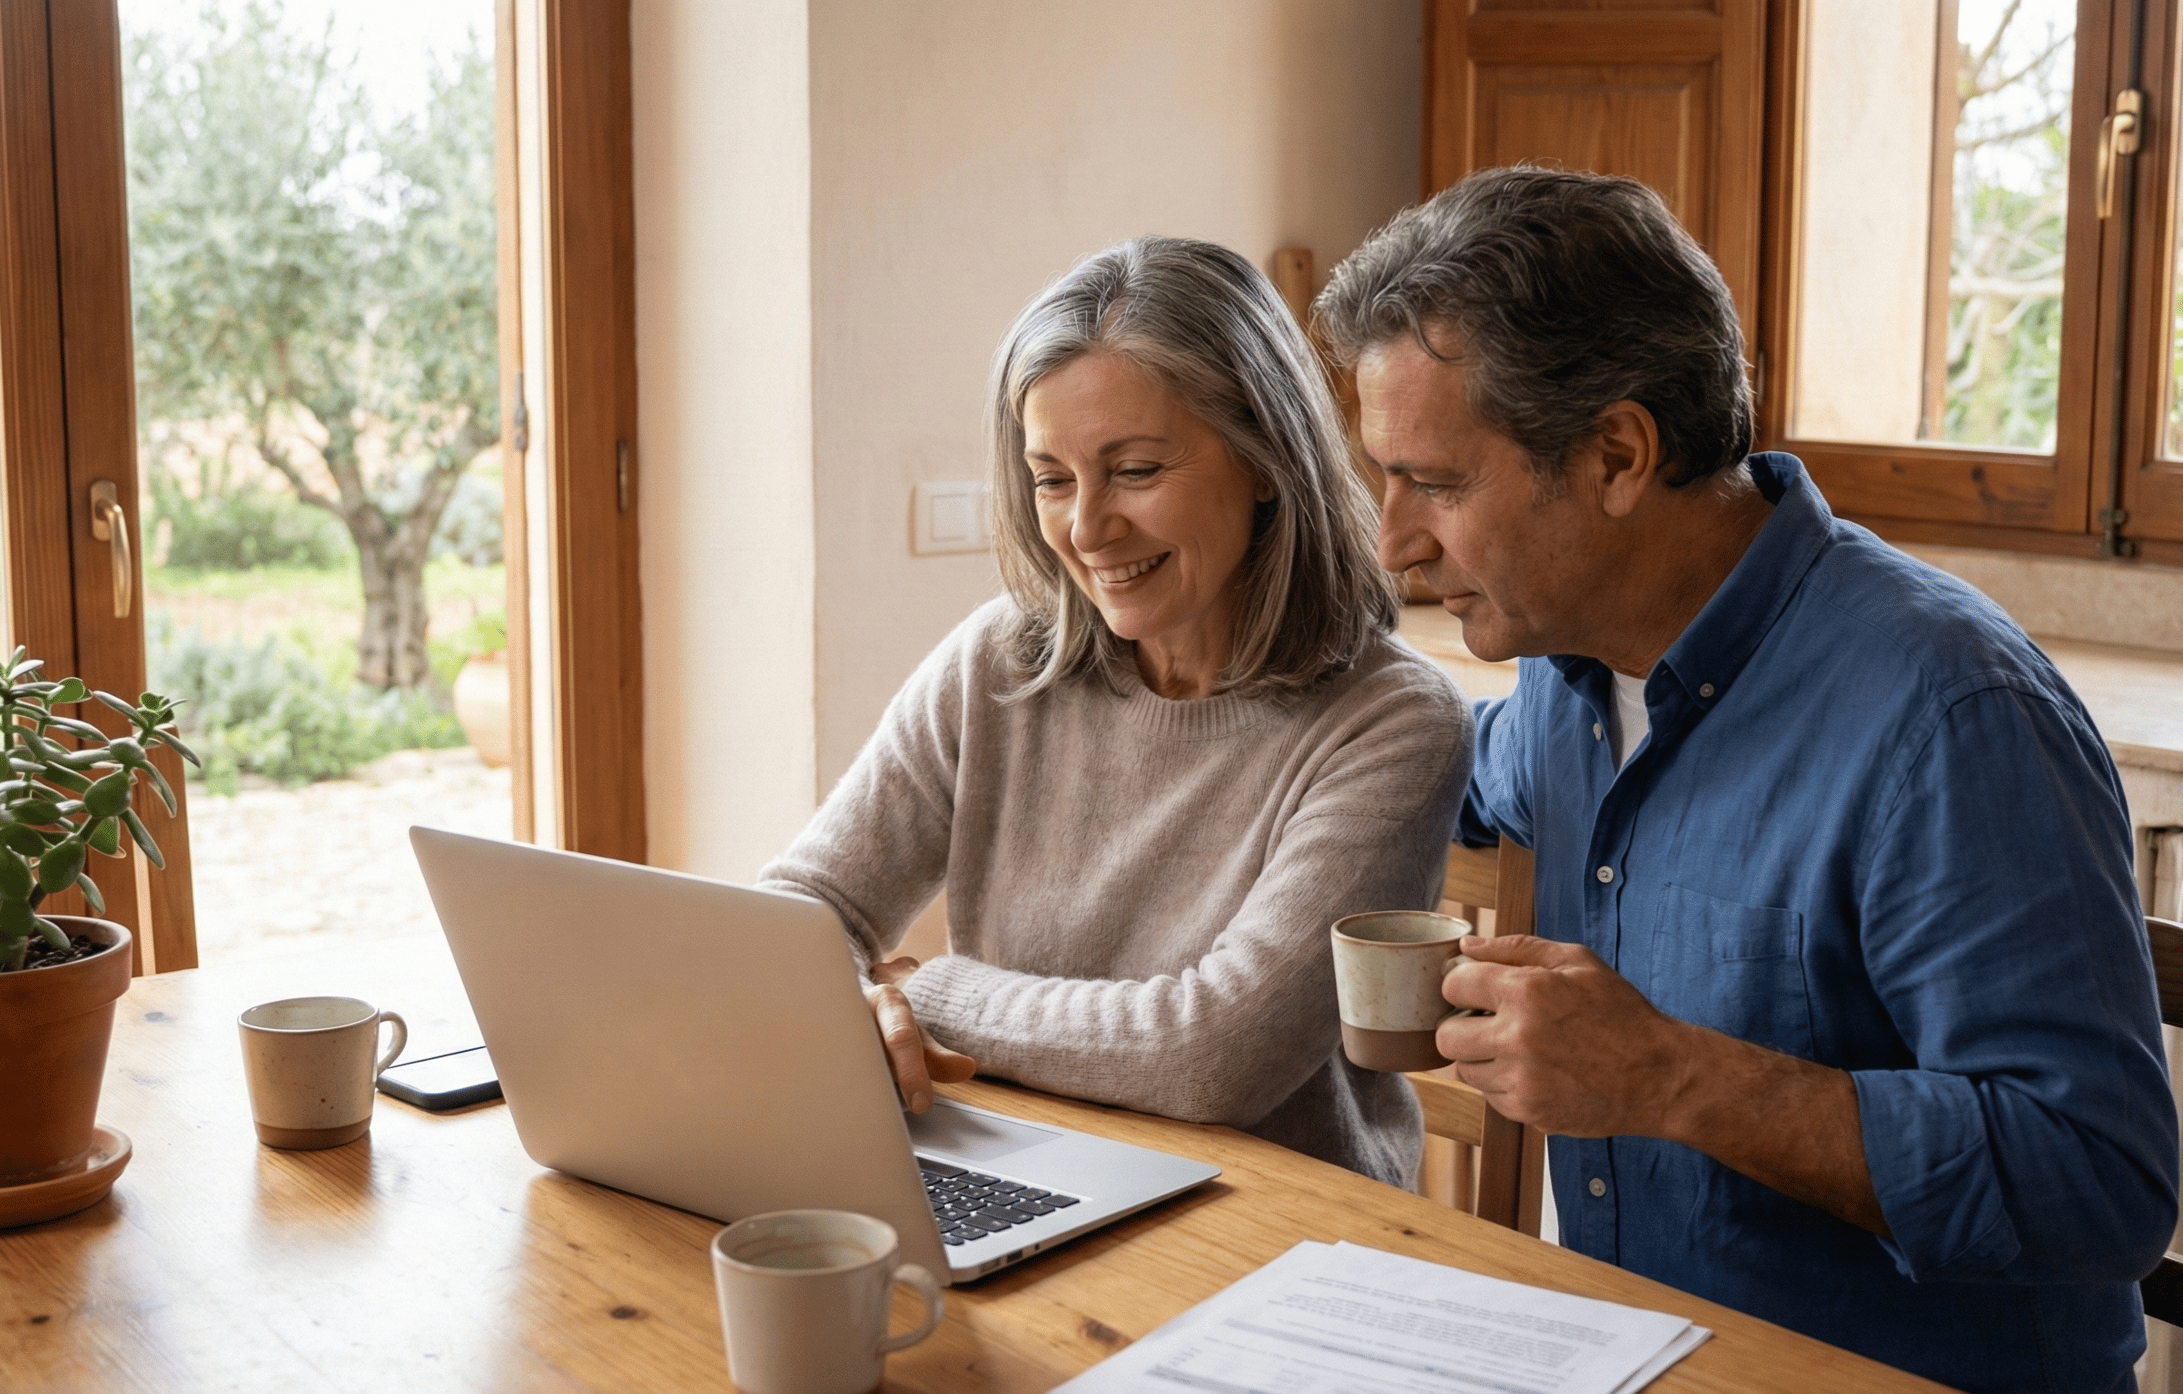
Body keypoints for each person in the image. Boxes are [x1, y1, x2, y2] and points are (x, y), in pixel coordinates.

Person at [1311, 165, 2179, 1392]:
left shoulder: (1952, 717)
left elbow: (2099, 1183)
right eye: (1384, 479)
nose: (1394, 538)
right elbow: (1424, 761)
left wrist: (1669, 1073)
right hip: (1635, 1359)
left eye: (1439, 484)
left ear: (1617, 452)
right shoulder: (1569, 674)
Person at [757, 235, 1472, 1186]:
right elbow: (799, 913)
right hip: (1020, 1166)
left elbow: (1214, 1051)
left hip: (1276, 1226)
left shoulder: (1393, 722)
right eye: (1052, 478)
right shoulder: (1000, 660)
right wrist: (850, 992)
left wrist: (928, 994)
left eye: (1135, 470)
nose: (1087, 530)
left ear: (1265, 457)